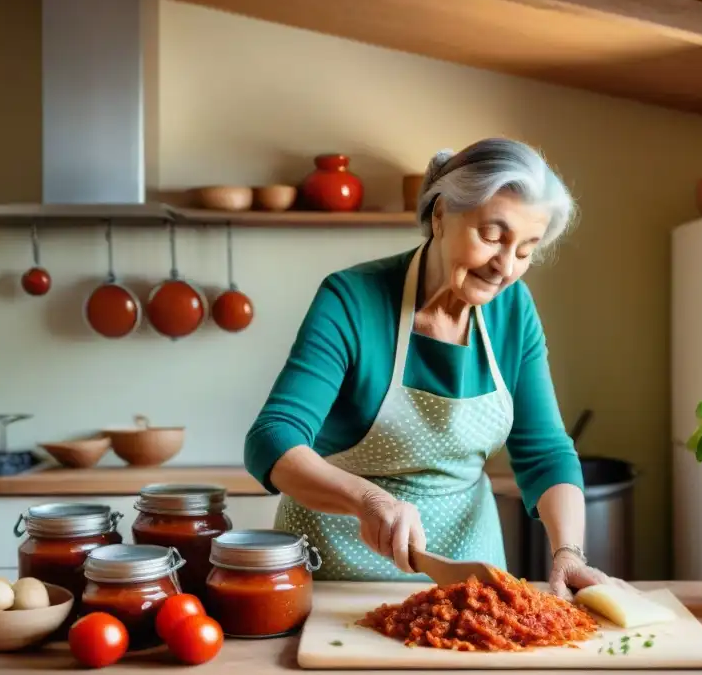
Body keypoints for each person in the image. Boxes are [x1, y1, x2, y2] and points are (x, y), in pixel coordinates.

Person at [244, 137, 628, 599]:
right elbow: (273, 437)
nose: (504, 267)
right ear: (440, 214)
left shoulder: (514, 312)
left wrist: (569, 552)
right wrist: (368, 500)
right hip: (335, 578)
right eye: (493, 236)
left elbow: (545, 451)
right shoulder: (352, 299)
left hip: (469, 581)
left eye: (525, 250)